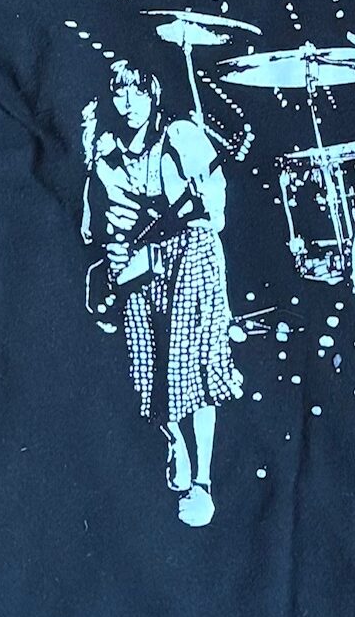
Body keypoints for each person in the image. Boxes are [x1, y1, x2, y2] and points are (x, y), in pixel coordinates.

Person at [82, 60, 243, 527]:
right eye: (119, 93)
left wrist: (198, 201)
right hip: (139, 262)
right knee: (148, 364)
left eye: (137, 92)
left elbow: (216, 211)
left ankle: (204, 481)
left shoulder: (182, 136)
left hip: (192, 256)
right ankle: (176, 442)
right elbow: (92, 225)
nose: (128, 103)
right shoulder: (107, 150)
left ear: (153, 93)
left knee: (192, 367)